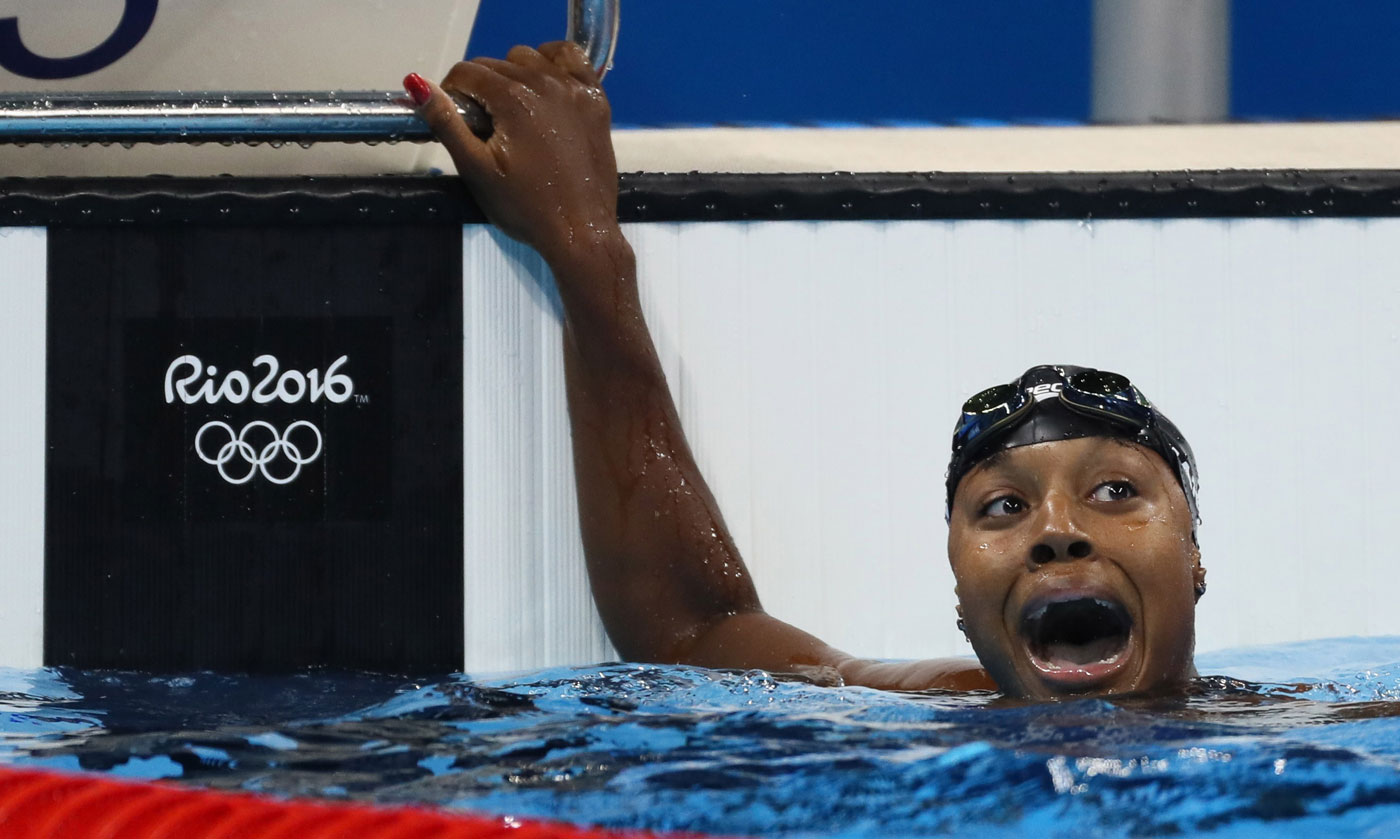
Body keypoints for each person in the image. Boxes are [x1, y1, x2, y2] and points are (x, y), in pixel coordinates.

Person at [401, 44, 1207, 700]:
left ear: (1196, 557)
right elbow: (692, 629)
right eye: (1002, 506)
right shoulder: (943, 709)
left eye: (1115, 491)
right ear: (963, 603)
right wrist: (584, 248)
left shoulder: (1315, 727)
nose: (1056, 533)